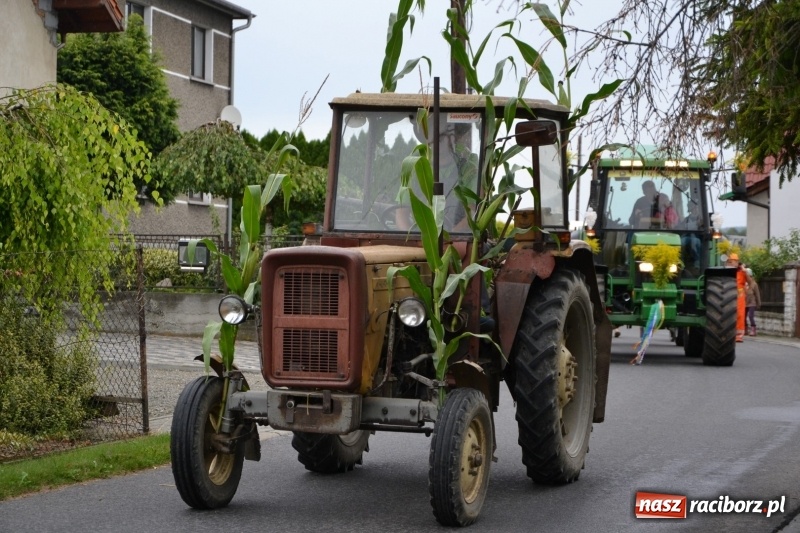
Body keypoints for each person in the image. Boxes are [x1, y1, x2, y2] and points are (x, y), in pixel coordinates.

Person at [726, 253, 747, 342]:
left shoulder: (742, 272)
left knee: (740, 314)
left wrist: (744, 271)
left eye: (733, 261)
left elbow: (750, 282)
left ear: (737, 262)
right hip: (729, 293)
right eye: (730, 262)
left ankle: (738, 335)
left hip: (739, 295)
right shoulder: (727, 271)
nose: (732, 263)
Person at [745, 267, 761, 336]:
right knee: (743, 316)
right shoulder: (744, 284)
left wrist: (759, 303)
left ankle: (753, 330)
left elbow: (757, 295)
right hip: (745, 303)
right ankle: (745, 329)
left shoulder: (754, 284)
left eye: (748, 276)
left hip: (752, 303)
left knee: (750, 316)